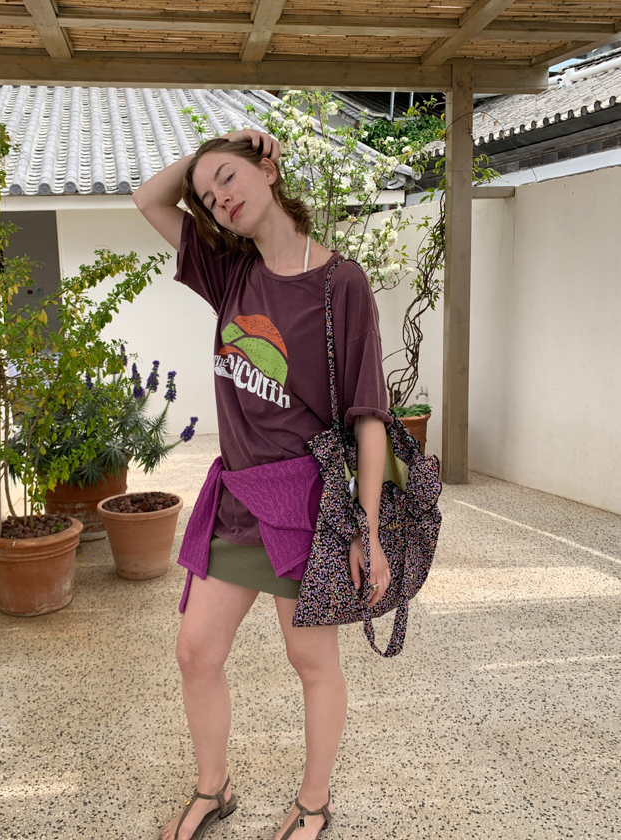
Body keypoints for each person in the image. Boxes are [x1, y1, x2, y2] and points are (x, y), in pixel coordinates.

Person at [133, 129, 392, 840]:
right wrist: (205, 157)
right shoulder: (229, 272)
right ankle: (213, 789)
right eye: (208, 196)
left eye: (229, 177)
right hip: (236, 499)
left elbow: (369, 416)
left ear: (268, 169)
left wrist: (368, 532)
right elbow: (148, 199)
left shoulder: (341, 283)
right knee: (196, 652)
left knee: (310, 660)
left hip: (303, 504)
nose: (220, 199)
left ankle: (314, 803)